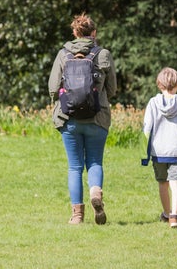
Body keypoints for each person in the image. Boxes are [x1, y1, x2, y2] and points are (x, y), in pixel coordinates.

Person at [48, 13, 117, 225]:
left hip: (69, 119)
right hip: (98, 118)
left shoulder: (63, 54)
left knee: (74, 167)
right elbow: (112, 89)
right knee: (95, 161)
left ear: (75, 33)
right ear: (94, 34)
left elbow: (52, 89)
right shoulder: (103, 54)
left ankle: (77, 215)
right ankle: (96, 192)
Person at [142, 67, 177, 229]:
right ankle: (174, 217)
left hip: (158, 151)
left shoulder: (153, 103)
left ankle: (167, 214)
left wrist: (144, 155)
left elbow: (146, 129)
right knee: (176, 182)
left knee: (163, 183)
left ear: (159, 85)